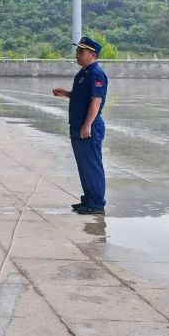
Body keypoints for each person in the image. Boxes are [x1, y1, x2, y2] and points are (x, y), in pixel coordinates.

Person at [52, 36, 109, 214]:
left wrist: (87, 125)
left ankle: (96, 203)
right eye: (77, 51)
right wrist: (67, 94)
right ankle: (89, 199)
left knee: (91, 164)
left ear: (92, 54)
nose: (77, 54)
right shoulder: (83, 73)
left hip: (88, 127)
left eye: (80, 51)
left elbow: (95, 102)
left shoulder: (95, 74)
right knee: (83, 165)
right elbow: (83, 97)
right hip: (79, 125)